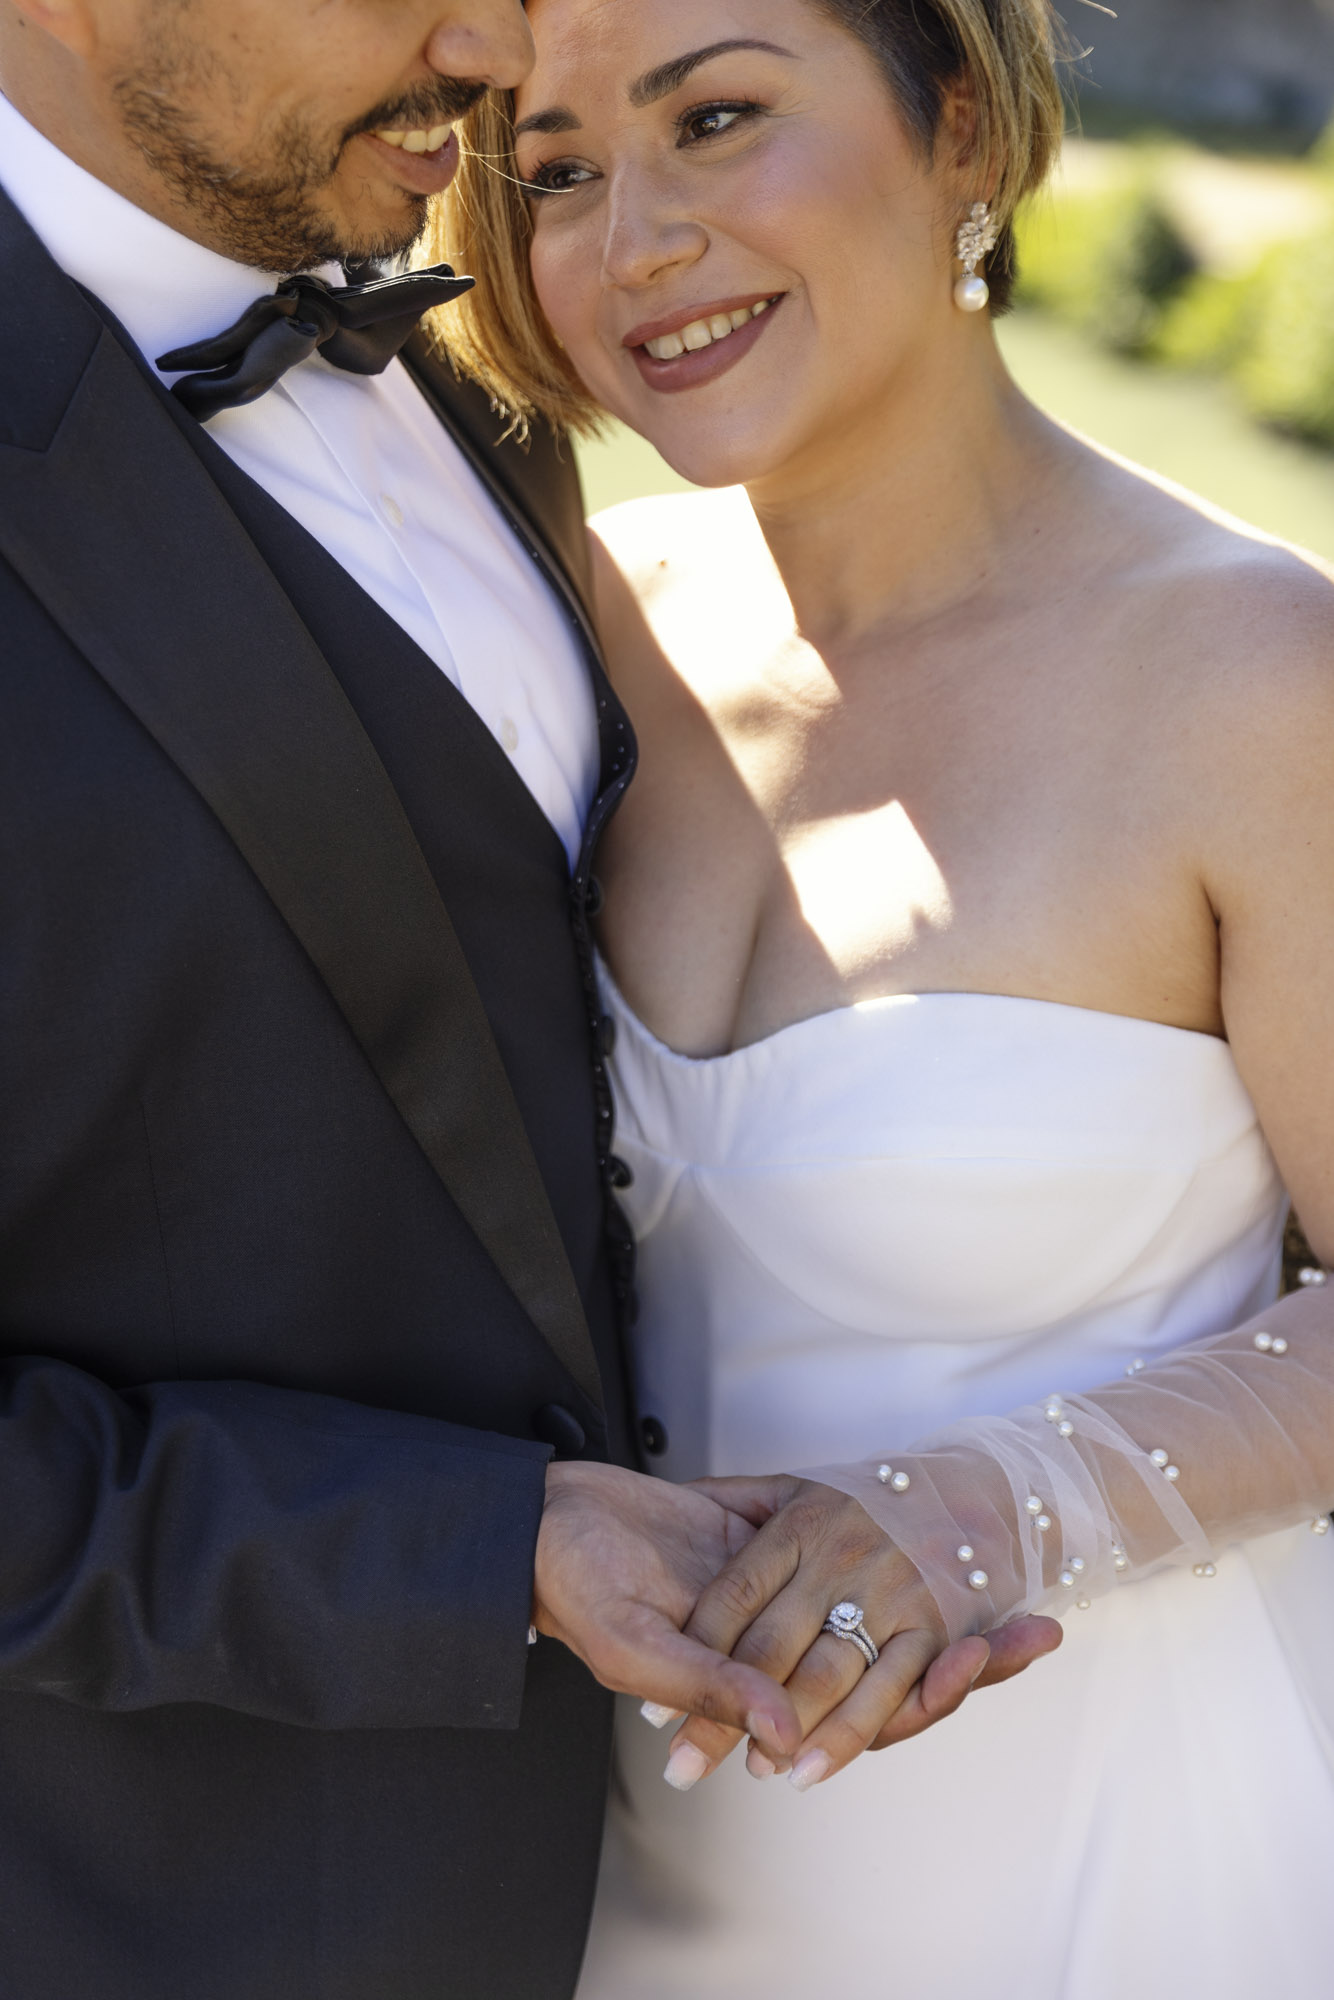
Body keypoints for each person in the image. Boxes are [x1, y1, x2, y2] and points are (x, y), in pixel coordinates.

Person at [0, 0, 961, 1990]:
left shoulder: (484, 384)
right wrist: (476, 1546)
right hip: (177, 1909)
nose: (489, 45)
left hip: (746, 1880)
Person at [434, 0, 1334, 1991]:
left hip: (1113, 1866)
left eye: (719, 117)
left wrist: (984, 1512)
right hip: (617, 1880)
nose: (630, 238)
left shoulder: (1259, 678)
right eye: (560, 168)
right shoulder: (565, 641)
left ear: (962, 127)